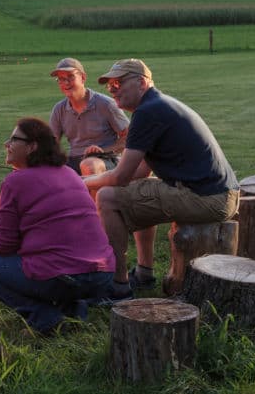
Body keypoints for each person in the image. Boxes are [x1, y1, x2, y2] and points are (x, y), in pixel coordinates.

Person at [84, 59, 239, 302]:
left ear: (142, 82)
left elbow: (120, 176)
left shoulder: (148, 112)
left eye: (119, 82)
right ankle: (144, 273)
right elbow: (137, 175)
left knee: (107, 198)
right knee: (137, 190)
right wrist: (97, 179)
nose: (113, 88)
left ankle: (118, 286)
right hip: (220, 195)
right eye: (110, 85)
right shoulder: (156, 106)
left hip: (207, 198)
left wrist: (82, 183)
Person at [0, 117, 115, 334]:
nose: (7, 144)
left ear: (32, 147)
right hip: (102, 274)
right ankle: (75, 310)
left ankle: (47, 320)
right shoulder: (69, 173)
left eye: (14, 139)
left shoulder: (15, 181)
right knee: (51, 263)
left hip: (65, 276)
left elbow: (3, 247)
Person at [49, 57, 129, 176]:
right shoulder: (59, 109)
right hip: (73, 159)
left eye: (70, 77)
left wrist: (103, 150)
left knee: (89, 165)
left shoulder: (106, 104)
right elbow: (50, 143)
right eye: (61, 79)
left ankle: (95, 195)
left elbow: (129, 137)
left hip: (105, 159)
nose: (66, 82)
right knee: (46, 171)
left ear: (83, 77)